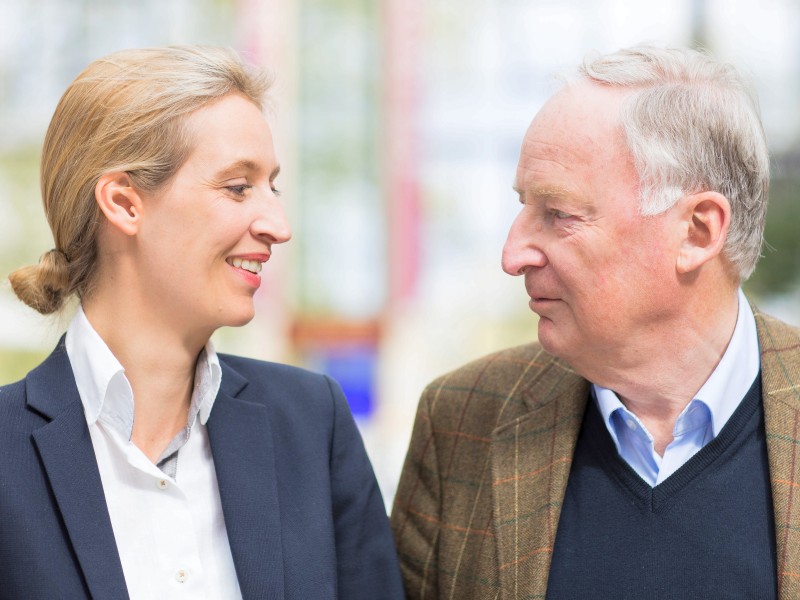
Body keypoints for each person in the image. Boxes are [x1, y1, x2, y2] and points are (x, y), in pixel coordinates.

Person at [391, 44, 800, 599]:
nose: (513, 254)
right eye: (523, 206)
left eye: (558, 214)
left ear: (698, 232)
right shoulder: (463, 419)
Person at [0, 46, 403, 600]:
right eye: (238, 187)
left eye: (272, 186)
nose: (278, 225)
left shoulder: (312, 424)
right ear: (124, 203)